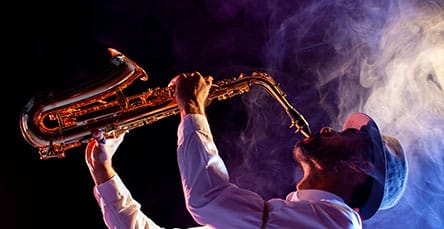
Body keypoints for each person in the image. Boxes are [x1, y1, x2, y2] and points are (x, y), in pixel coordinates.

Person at [85, 71, 408, 228]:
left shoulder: (336, 224)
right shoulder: (298, 217)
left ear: (363, 165)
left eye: (347, 134)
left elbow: (207, 198)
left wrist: (193, 108)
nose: (328, 128)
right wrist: (104, 171)